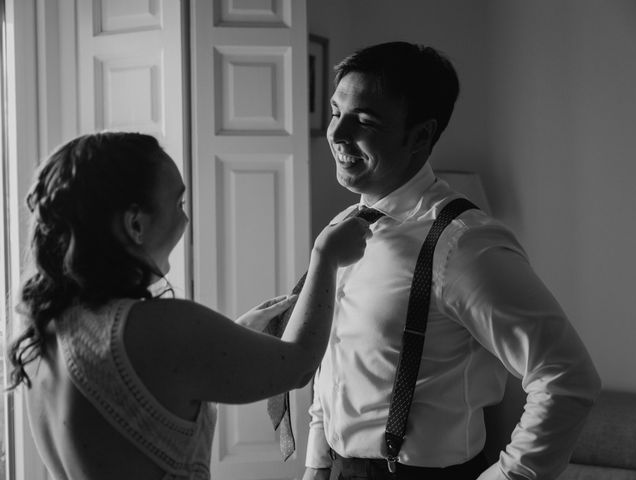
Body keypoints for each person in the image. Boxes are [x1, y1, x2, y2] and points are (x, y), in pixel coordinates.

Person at [302, 42, 601, 480]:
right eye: (335, 112)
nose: (338, 133)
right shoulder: (345, 228)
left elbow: (567, 378)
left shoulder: (465, 244)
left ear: (421, 135)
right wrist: (316, 464)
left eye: (364, 120)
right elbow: (338, 362)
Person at [7, 131, 372, 480]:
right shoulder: (157, 327)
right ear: (136, 223)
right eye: (178, 203)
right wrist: (326, 257)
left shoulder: (50, 328)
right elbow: (298, 365)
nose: (185, 218)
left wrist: (235, 335)